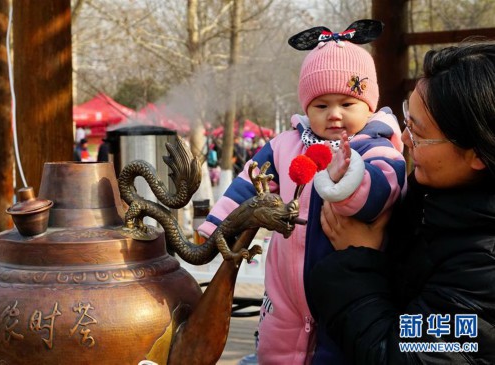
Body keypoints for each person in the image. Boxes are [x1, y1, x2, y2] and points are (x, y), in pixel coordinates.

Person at [198, 20, 407, 364]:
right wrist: (217, 227)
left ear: (369, 105)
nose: (334, 115)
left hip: (346, 290)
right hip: (286, 294)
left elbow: (382, 192)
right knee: (277, 351)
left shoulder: (376, 145)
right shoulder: (286, 145)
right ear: (307, 107)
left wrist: (348, 179)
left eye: (347, 103)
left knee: (340, 353)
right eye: (321, 105)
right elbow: (250, 183)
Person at [308, 40, 495, 364]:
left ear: (477, 153)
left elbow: (404, 353)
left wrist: (358, 260)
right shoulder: (428, 197)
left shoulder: (484, 262)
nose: (405, 140)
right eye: (407, 122)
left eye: (419, 134)